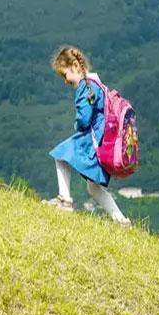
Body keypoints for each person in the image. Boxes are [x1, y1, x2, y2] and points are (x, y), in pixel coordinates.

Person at [47, 45, 130, 226]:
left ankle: (65, 201)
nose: (65, 80)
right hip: (105, 141)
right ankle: (121, 221)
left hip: (94, 141)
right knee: (93, 187)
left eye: (65, 74)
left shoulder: (85, 87)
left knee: (60, 155)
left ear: (75, 66)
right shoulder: (97, 84)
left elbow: (84, 120)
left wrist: (76, 123)